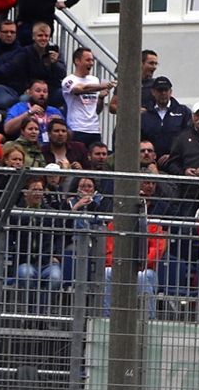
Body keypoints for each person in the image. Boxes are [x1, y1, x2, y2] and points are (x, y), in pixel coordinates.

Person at [102, 177, 166, 318]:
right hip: (118, 267)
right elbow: (108, 251)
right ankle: (106, 317)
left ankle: (148, 319)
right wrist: (121, 265)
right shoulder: (114, 224)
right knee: (106, 273)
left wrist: (139, 265)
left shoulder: (154, 225)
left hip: (145, 269)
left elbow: (156, 251)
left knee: (143, 276)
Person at [6, 174, 64, 301]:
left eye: (40, 190)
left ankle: (42, 313)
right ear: (25, 192)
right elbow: (9, 236)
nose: (38, 193)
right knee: (26, 275)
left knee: (55, 278)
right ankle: (31, 312)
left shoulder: (51, 213)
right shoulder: (17, 214)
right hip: (25, 262)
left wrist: (57, 255)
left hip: (47, 262)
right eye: (34, 189)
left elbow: (60, 237)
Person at [60, 47, 111, 146]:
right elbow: (80, 89)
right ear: (77, 61)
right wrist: (102, 86)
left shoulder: (94, 80)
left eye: (92, 60)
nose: (91, 63)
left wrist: (101, 97)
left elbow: (97, 110)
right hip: (77, 128)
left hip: (94, 129)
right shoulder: (69, 80)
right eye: (88, 60)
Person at [139, 76, 188, 164]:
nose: (163, 93)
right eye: (160, 90)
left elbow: (188, 137)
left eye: (166, 90)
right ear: (153, 92)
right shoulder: (144, 115)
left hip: (176, 162)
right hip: (150, 163)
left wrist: (173, 155)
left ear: (171, 92)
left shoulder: (183, 112)